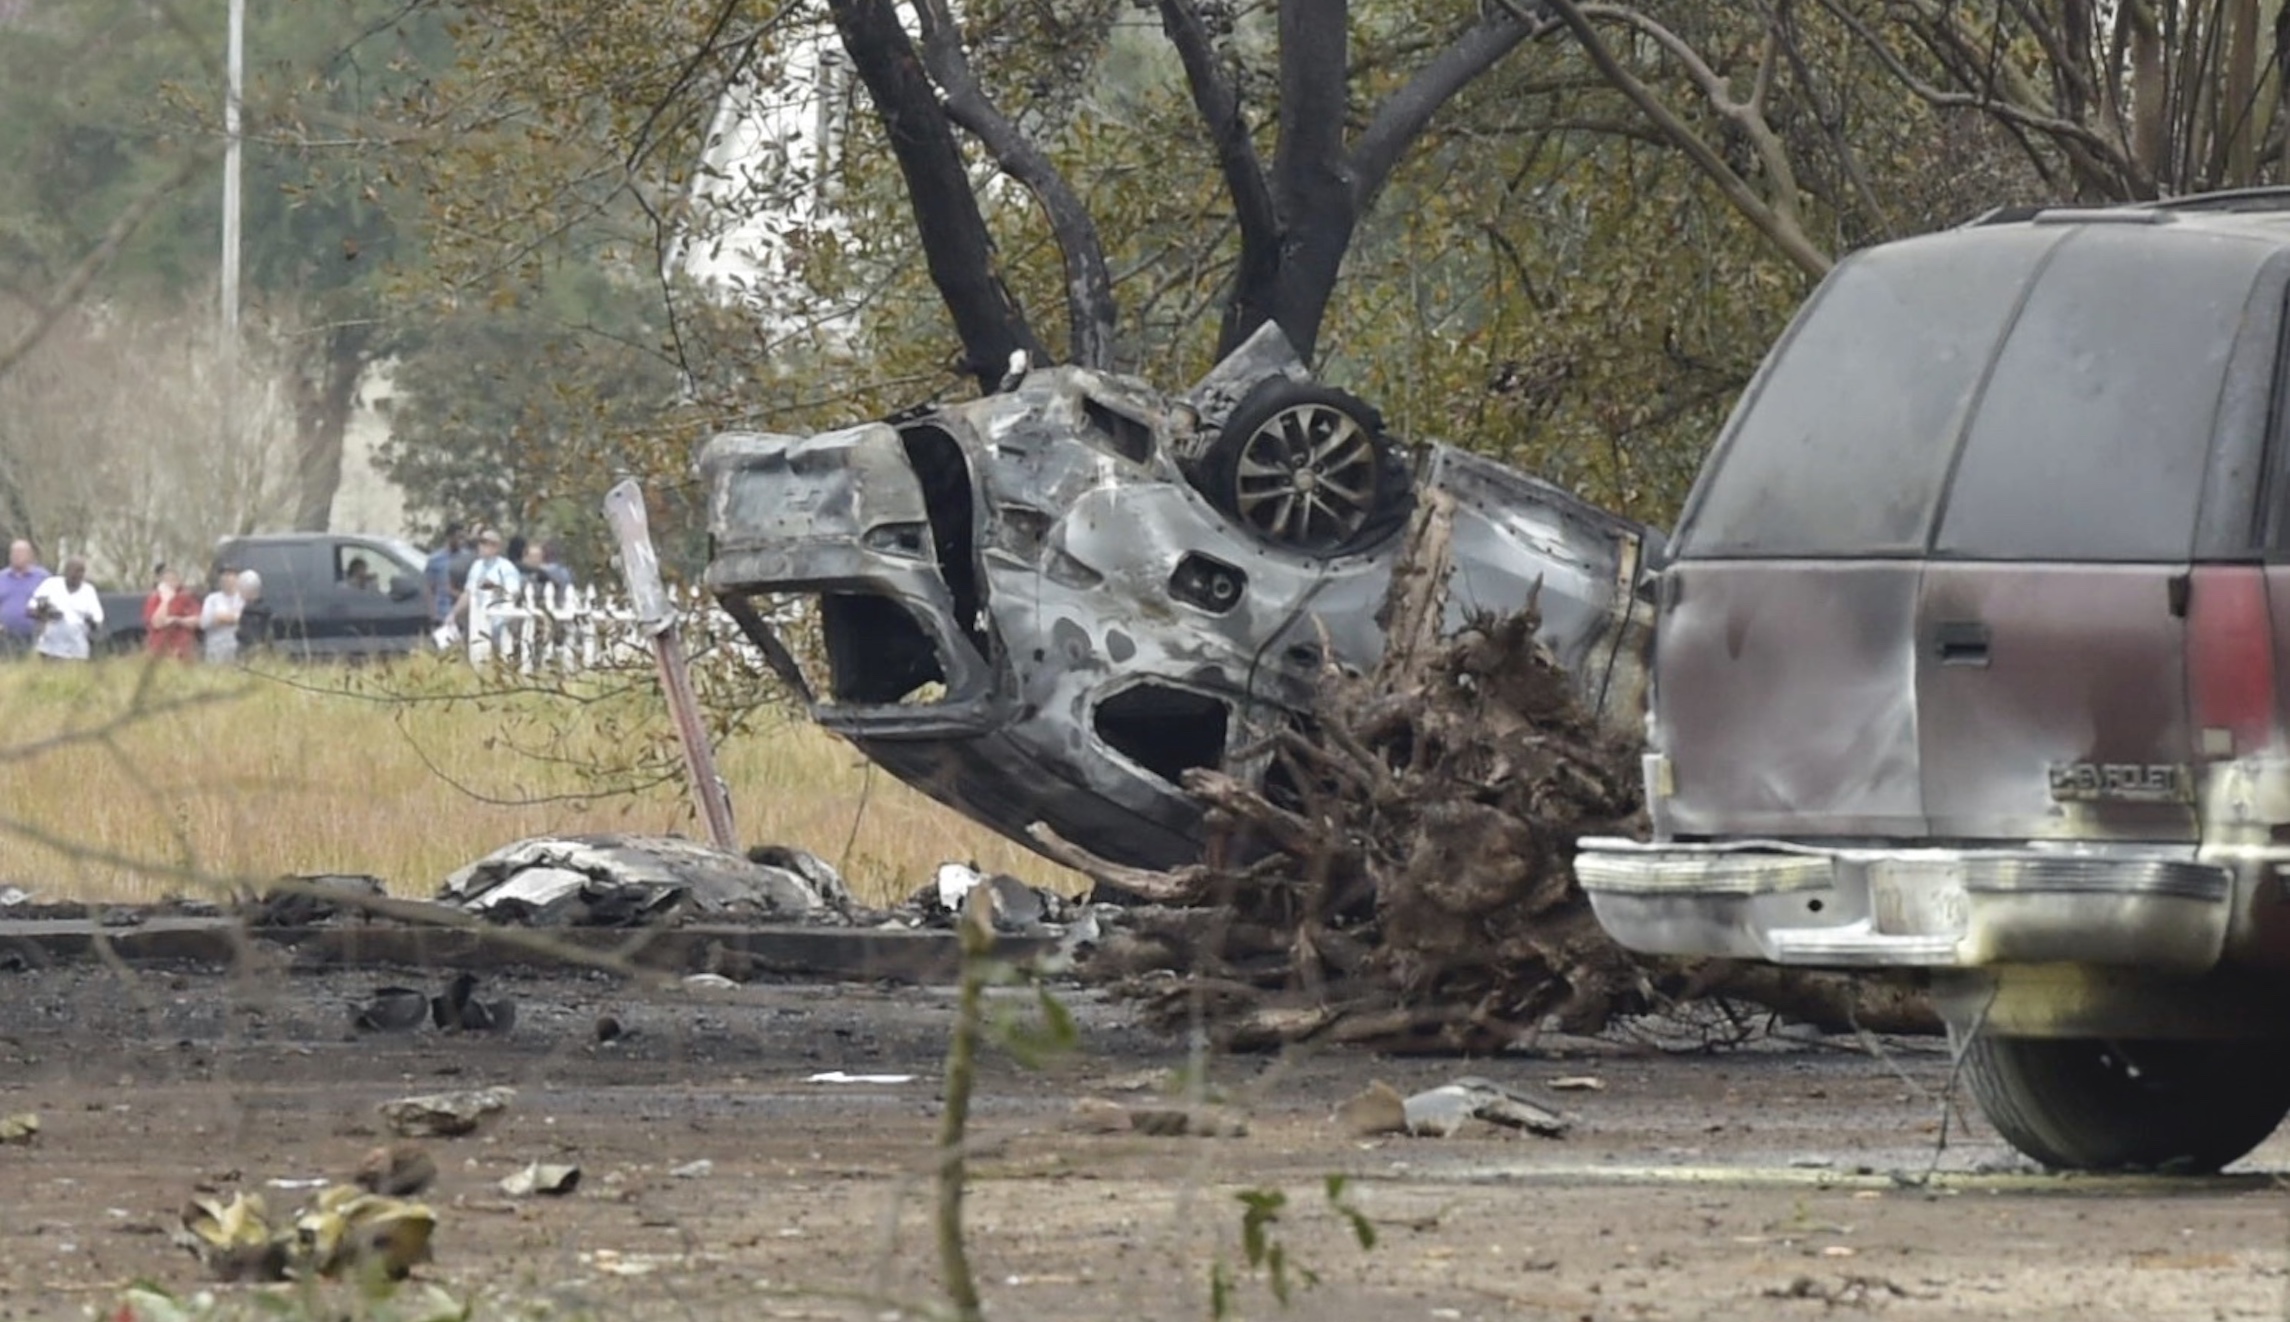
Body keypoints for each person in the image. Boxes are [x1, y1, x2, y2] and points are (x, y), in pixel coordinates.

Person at [454, 528, 522, 658]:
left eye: (486, 543)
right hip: (478, 623)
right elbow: (468, 593)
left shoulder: (506, 568)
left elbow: (513, 593)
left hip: (500, 625)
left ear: (496, 547)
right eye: (481, 542)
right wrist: (453, 614)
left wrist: (495, 589)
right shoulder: (477, 566)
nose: (482, 546)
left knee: (499, 659)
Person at [27, 556, 102, 661]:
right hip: (49, 649)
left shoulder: (89, 591)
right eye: (75, 571)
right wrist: (47, 615)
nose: (78, 575)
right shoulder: (51, 585)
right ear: (66, 571)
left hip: (77, 652)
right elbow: (30, 610)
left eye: (81, 572)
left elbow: (97, 620)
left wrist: (90, 621)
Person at [141, 565, 202, 662]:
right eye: (167, 580)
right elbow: (157, 623)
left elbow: (197, 621)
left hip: (184, 652)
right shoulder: (154, 599)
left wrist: (176, 620)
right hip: (160, 652)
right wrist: (166, 600)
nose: (171, 582)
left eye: (174, 579)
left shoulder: (187, 598)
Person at [0, 540, 49, 656]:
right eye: (14, 553)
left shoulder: (43, 577)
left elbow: (51, 604)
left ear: (30, 556)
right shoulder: (1, 577)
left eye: (21, 553)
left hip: (34, 637)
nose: (16, 556)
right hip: (4, 638)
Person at [422, 525, 467, 627]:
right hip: (442, 613)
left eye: (463, 537)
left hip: (462, 613)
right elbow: (429, 588)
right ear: (449, 537)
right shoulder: (435, 559)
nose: (461, 541)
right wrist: (432, 613)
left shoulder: (467, 558)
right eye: (458, 537)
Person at [199, 568, 245, 664]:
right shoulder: (212, 599)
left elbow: (243, 619)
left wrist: (224, 618)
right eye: (224, 576)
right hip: (215, 646)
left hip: (236, 646)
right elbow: (204, 623)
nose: (226, 579)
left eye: (230, 576)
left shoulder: (243, 598)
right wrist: (231, 618)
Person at [234, 569, 274, 657]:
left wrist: (238, 634)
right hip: (264, 652)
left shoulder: (249, 612)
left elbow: (245, 634)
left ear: (246, 590)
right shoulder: (266, 610)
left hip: (249, 654)